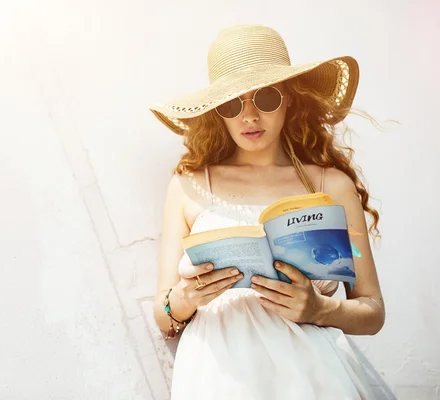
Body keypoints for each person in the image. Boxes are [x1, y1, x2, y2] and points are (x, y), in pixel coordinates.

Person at [149, 25, 387, 399]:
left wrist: (319, 309)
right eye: (231, 104)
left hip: (315, 376)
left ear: (290, 99)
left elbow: (372, 310)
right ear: (218, 113)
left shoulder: (332, 185)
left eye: (266, 98)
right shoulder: (187, 185)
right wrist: (185, 298)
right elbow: (163, 315)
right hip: (216, 376)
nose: (249, 116)